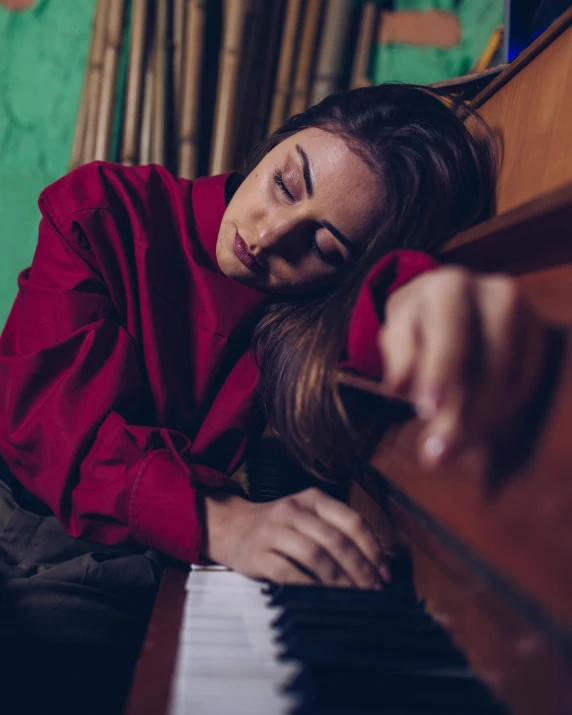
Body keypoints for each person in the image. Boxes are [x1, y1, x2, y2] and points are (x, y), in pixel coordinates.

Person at [0, 84, 549, 713]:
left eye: (323, 246)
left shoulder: (303, 315)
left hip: (128, 554)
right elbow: (56, 427)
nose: (267, 236)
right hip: (23, 516)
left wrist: (424, 293)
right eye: (286, 185)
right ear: (274, 143)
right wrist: (221, 520)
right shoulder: (102, 208)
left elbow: (368, 329)